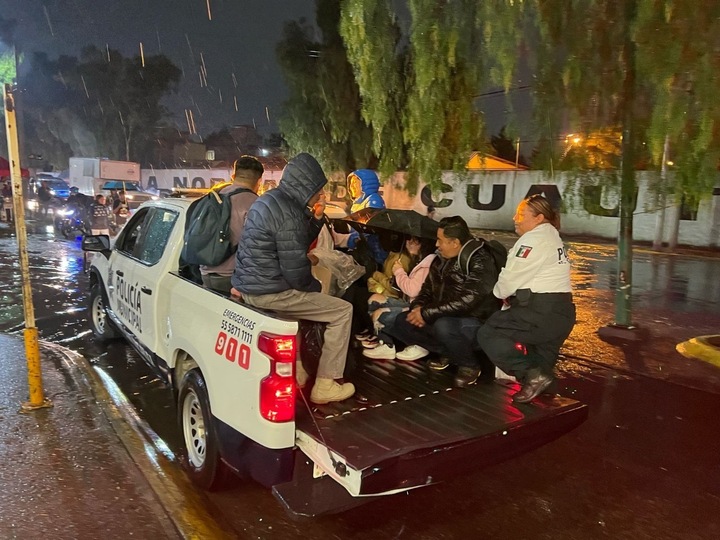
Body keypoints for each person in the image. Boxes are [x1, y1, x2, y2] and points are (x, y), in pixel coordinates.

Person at [231, 153, 355, 405]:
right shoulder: (288, 213)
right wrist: (316, 288)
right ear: (305, 186)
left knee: (295, 312)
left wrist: (316, 219)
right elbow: (297, 273)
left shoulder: (270, 201)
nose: (321, 194)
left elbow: (293, 242)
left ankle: (297, 371)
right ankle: (326, 384)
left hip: (252, 287)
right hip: (270, 291)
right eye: (318, 189)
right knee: (342, 311)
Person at [477, 194, 575, 403]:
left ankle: (532, 377)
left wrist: (500, 293)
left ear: (539, 218)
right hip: (561, 313)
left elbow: (508, 280)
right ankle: (543, 399)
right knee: (542, 367)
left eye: (521, 214)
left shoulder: (533, 240)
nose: (515, 218)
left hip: (539, 312)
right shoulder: (553, 238)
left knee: (489, 333)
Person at [385, 216, 502, 387]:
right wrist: (417, 308)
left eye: (440, 240)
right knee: (403, 321)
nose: (436, 244)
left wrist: (426, 313)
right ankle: (451, 353)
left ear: (455, 242)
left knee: (443, 325)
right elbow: (426, 291)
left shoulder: (479, 260)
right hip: (445, 315)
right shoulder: (440, 260)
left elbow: (467, 300)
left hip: (477, 321)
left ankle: (469, 365)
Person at [362, 236, 437, 359]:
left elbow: (412, 290)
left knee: (380, 314)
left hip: (417, 307)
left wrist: (399, 271)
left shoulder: (427, 265)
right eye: (409, 239)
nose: (409, 243)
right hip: (408, 302)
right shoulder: (417, 260)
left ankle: (415, 344)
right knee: (374, 299)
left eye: (415, 241)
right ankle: (385, 341)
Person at [200, 156, 263, 294]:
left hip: (205, 273)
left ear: (233, 176)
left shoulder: (214, 197)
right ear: (259, 181)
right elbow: (257, 245)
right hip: (233, 278)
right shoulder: (256, 203)